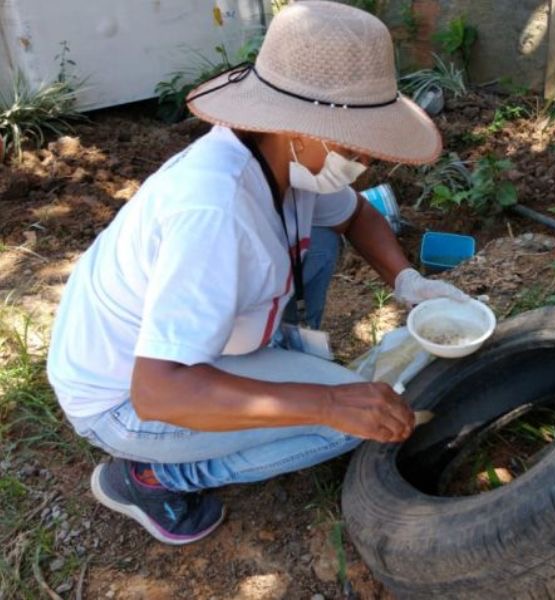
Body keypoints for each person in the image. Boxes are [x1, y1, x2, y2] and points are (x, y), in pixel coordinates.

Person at [46, 0, 467, 546]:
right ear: (300, 126)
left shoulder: (280, 160)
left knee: (316, 248)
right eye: (352, 142)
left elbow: (359, 215)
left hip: (177, 355)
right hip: (126, 397)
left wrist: (408, 282)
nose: (363, 157)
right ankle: (152, 476)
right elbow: (158, 393)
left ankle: (283, 370)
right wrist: (326, 402)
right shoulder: (216, 213)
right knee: (347, 421)